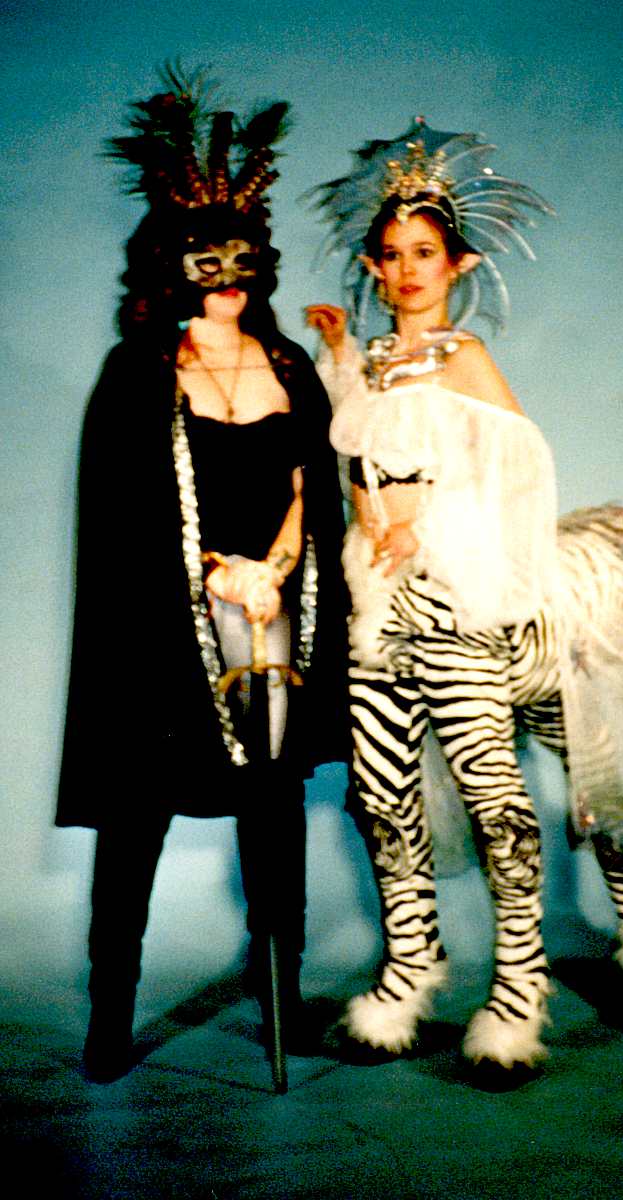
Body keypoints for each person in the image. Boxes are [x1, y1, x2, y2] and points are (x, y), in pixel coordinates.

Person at [57, 72, 348, 1084]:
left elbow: (315, 481)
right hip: (162, 638)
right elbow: (121, 516)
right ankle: (111, 1011)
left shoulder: (290, 365)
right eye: (205, 259)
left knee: (273, 812)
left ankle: (283, 994)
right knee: (136, 818)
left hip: (271, 622)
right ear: (170, 265)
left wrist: (272, 569)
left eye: (242, 258)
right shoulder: (139, 369)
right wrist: (214, 571)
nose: (228, 277)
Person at [306, 119, 558, 1076]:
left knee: (492, 794)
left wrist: (432, 524)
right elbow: (355, 452)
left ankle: (520, 984)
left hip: (451, 597)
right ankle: (411, 966)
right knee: (380, 794)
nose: (408, 269)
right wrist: (338, 354)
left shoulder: (463, 357)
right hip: (377, 601)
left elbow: (518, 466)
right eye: (392, 254)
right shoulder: (373, 361)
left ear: (457, 264)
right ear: (373, 269)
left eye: (424, 252)